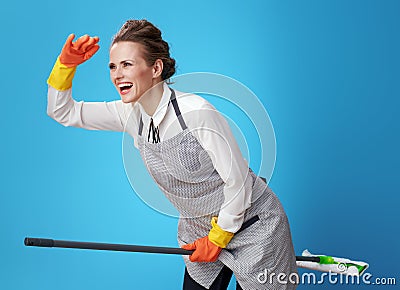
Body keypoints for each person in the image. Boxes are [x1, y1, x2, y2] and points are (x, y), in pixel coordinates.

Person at [46, 19, 298, 290]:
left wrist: (219, 237)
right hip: (200, 230)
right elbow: (64, 112)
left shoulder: (197, 113)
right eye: (112, 66)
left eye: (127, 64)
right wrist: (65, 65)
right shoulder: (129, 113)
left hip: (254, 227)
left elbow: (238, 181)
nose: (117, 74)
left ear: (156, 68)